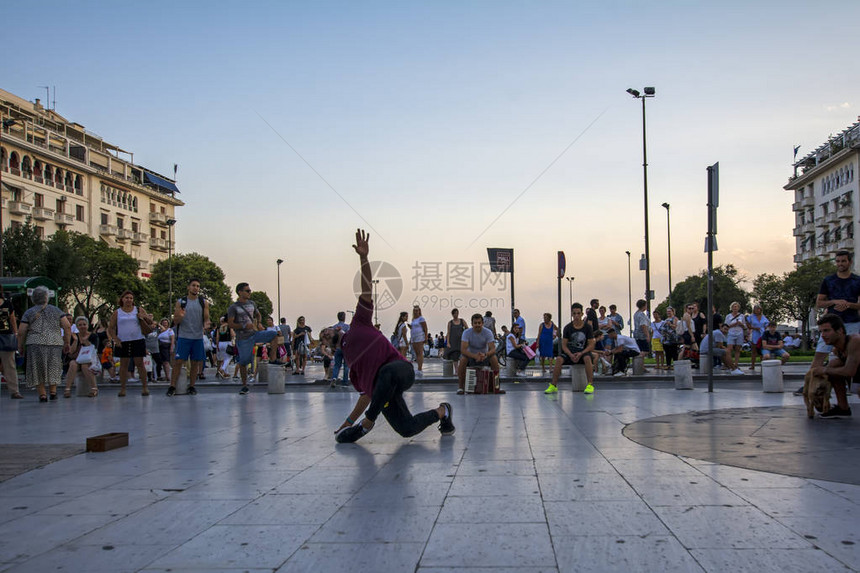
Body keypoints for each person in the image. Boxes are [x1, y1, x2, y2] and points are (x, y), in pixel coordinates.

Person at [333, 229, 454, 443]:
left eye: (328, 328)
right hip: (384, 389)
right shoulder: (352, 367)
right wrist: (349, 422)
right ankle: (443, 412)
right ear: (329, 344)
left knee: (385, 373)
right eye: (325, 333)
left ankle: (368, 423)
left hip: (400, 371)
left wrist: (364, 258)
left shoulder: (358, 323)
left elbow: (367, 289)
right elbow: (366, 396)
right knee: (406, 429)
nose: (328, 330)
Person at [17, 286, 71, 401]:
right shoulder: (56, 310)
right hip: (54, 342)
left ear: (33, 298)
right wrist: (67, 342)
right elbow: (67, 326)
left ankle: (42, 394)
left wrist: (20, 345)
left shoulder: (29, 312)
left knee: (37, 368)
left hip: (35, 342)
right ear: (47, 297)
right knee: (54, 367)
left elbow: (21, 331)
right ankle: (53, 392)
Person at [227, 283, 279, 394]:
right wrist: (244, 326)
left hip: (254, 333)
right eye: (247, 291)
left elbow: (258, 314)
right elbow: (231, 324)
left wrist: (259, 322)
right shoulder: (233, 307)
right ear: (240, 292)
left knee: (274, 335)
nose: (250, 292)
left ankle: (273, 359)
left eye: (250, 290)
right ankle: (244, 385)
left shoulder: (252, 304)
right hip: (243, 337)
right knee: (244, 361)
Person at [167, 278, 210, 397]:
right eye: (193, 285)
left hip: (197, 336)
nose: (196, 288)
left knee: (195, 362)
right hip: (184, 336)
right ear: (188, 287)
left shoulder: (203, 302)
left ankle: (192, 386)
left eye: (198, 286)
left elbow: (206, 318)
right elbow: (175, 321)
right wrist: (180, 316)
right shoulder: (181, 302)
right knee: (178, 362)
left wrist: (207, 323)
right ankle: (172, 386)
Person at [108, 290, 155, 397]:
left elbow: (150, 321)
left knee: (140, 364)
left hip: (138, 339)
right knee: (123, 365)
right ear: (122, 299)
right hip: (123, 341)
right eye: (126, 298)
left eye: (131, 298)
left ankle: (144, 387)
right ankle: (123, 388)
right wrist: (116, 339)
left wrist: (143, 317)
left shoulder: (138, 309)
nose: (129, 300)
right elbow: (111, 327)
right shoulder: (117, 312)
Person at [811, 314, 858, 418]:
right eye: (821, 332)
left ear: (840, 331)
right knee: (833, 365)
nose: (823, 335)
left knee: (830, 369)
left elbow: (849, 371)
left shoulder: (855, 341)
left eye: (827, 330)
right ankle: (843, 408)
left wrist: (824, 370)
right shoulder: (837, 349)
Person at [545, 302, 595, 395]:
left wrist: (581, 353)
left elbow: (591, 345)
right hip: (570, 353)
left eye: (578, 313)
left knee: (587, 358)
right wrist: (570, 354)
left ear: (582, 314)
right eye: (574, 313)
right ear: (572, 314)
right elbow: (564, 345)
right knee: (559, 359)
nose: (576, 316)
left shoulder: (587, 327)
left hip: (583, 353)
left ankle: (590, 384)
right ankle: (553, 385)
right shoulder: (567, 328)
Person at [456, 313, 502, 394]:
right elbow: (463, 350)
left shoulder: (488, 332)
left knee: (494, 358)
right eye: (475, 323)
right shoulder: (466, 333)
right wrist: (475, 356)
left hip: (484, 356)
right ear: (472, 324)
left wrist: (485, 355)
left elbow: (493, 349)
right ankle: (460, 387)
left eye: (479, 323)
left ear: (482, 323)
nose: (477, 325)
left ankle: (496, 386)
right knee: (463, 359)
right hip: (471, 356)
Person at [63, 316, 100, 397]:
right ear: (77, 326)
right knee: (73, 363)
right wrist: (76, 341)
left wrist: (85, 341)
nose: (82, 326)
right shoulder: (74, 336)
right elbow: (71, 351)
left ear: (87, 325)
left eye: (84, 324)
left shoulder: (93, 336)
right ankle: (67, 389)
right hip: (77, 359)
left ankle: (94, 388)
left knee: (85, 366)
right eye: (80, 325)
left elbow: (94, 349)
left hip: (89, 360)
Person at [0, 291, 21, 399]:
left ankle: (14, 391)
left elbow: (12, 318)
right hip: (6, 336)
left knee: (10, 365)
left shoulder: (7, 303)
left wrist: (16, 332)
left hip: (6, 336)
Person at [724, 302, 747, 376]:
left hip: (739, 333)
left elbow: (745, 326)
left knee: (738, 349)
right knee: (729, 349)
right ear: (731, 308)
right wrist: (733, 324)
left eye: (736, 307)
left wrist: (741, 324)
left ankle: (736, 364)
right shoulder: (728, 316)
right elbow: (725, 326)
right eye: (734, 307)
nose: (735, 308)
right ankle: (730, 364)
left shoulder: (742, 316)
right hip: (731, 333)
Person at [746, 304, 769, 371]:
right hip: (755, 334)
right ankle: (752, 365)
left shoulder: (763, 317)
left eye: (759, 309)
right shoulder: (751, 317)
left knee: (761, 350)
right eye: (756, 309)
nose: (757, 310)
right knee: (754, 350)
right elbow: (748, 325)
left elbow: (767, 324)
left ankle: (762, 365)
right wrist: (755, 328)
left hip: (762, 334)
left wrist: (763, 329)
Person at [331, 311, 350, 384]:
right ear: (344, 317)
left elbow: (332, 339)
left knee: (337, 365)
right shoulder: (347, 327)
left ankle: (334, 378)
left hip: (337, 348)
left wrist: (333, 347)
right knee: (346, 366)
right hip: (345, 348)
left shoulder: (334, 327)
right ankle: (345, 381)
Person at [410, 305, 428, 377]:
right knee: (416, 353)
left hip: (419, 337)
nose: (415, 312)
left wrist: (425, 337)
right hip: (414, 337)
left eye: (417, 310)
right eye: (414, 310)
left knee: (420, 352)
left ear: (419, 311)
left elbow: (425, 328)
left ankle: (420, 369)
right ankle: (418, 367)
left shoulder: (421, 319)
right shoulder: (413, 319)